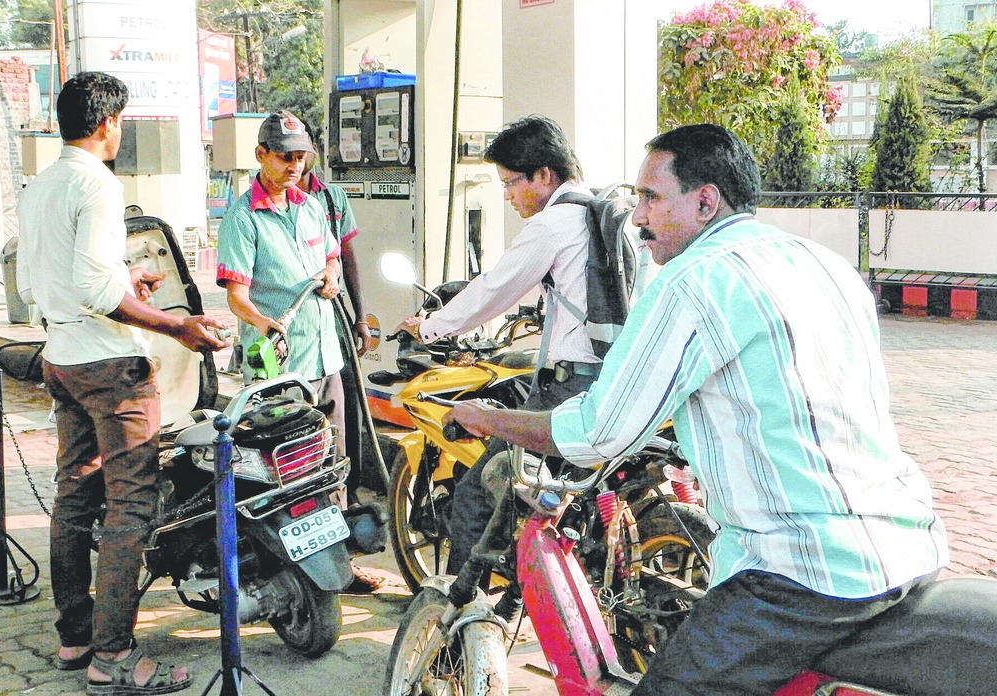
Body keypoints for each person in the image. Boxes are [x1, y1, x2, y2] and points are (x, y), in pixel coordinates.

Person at [446, 124, 949, 695]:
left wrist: (489, 418)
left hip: (801, 571)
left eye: (651, 198)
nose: (638, 217)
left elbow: (598, 431)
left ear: (705, 201)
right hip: (908, 545)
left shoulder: (695, 280)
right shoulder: (823, 263)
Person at [16, 71, 228, 694]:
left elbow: (38, 284)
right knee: (130, 506)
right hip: (111, 368)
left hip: (63, 358)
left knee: (74, 496)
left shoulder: (41, 186)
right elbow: (94, 290)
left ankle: (75, 638)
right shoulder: (99, 184)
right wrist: (176, 325)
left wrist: (122, 285)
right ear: (109, 123)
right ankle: (113, 656)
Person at [396, 114, 602, 578]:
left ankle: (458, 611)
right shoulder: (609, 214)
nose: (508, 196)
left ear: (543, 175)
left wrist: (430, 327)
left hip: (571, 388)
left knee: (476, 496)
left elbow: (494, 290)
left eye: (510, 183)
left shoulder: (553, 225)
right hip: (622, 379)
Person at [215, 109, 384, 593]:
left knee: (333, 464)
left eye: (301, 157)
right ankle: (289, 571)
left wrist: (331, 274)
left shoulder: (311, 206)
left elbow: (332, 254)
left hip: (326, 356)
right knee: (288, 469)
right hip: (282, 369)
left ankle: (338, 565)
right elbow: (236, 296)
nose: (294, 166)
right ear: (260, 155)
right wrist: (261, 322)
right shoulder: (243, 219)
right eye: (285, 157)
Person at [295, 123, 372, 357]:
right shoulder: (259, 208)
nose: (296, 160)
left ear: (313, 149)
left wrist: (360, 318)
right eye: (288, 153)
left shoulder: (333, 197)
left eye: (301, 151)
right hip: (291, 314)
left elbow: (347, 259)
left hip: (333, 309)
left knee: (345, 375)